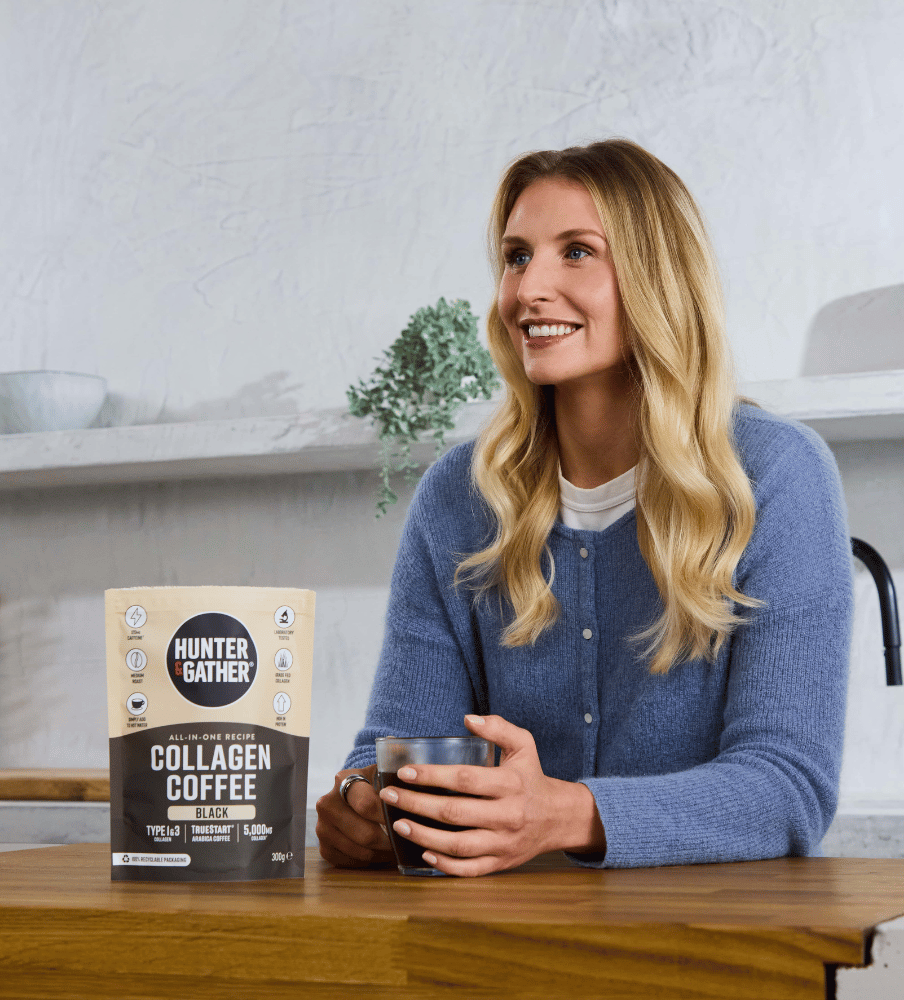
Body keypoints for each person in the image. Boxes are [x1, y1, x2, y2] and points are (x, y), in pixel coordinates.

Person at [315, 138, 853, 876]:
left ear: (655, 277)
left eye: (575, 252)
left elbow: (788, 788)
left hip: (716, 946)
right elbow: (401, 746)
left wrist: (564, 815)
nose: (528, 288)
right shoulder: (458, 496)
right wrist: (365, 808)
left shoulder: (774, 475)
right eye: (515, 257)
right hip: (500, 949)